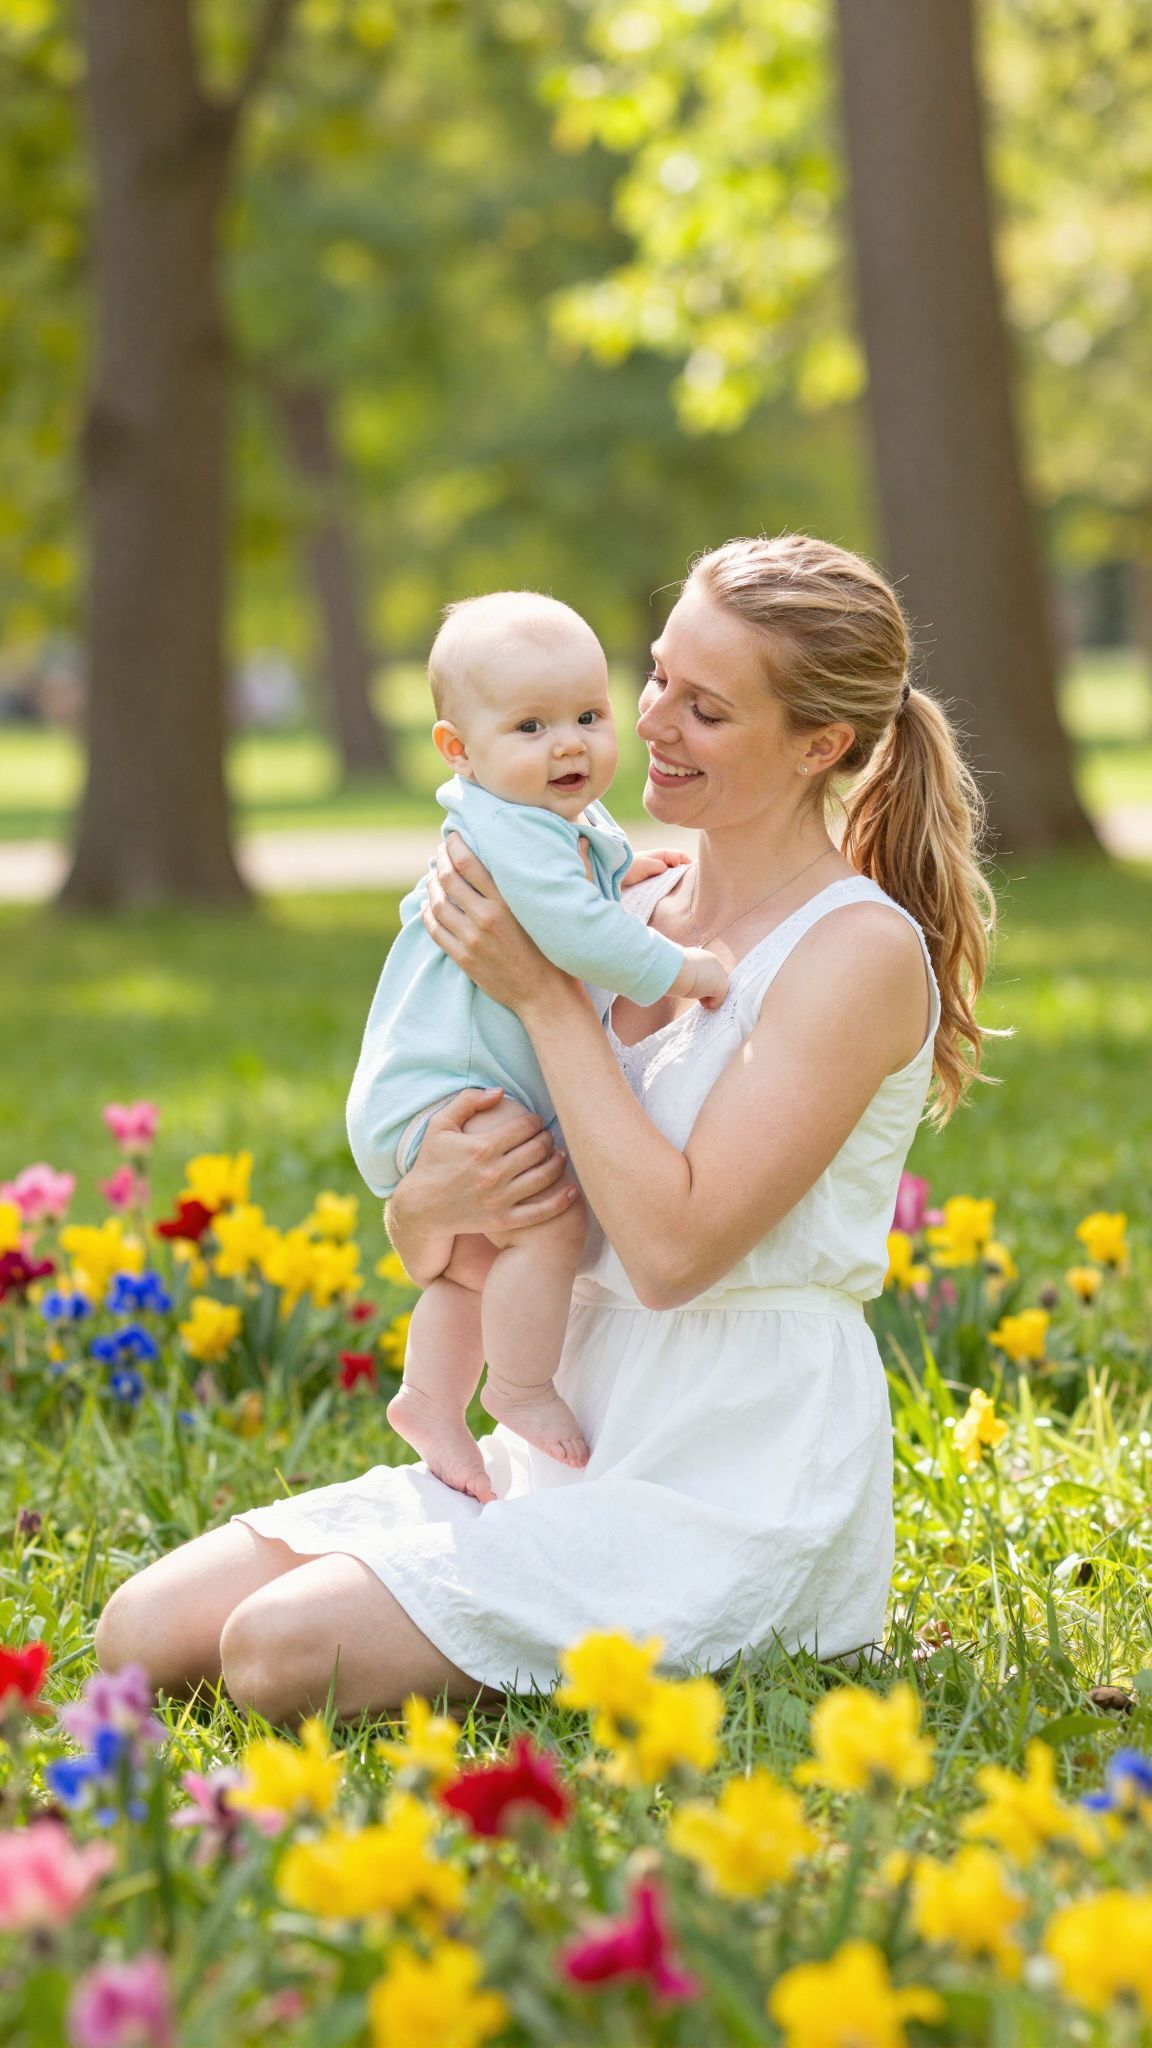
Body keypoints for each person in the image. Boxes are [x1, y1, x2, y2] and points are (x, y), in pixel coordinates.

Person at [93, 534, 994, 1727]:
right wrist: (421, 1202)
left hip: (728, 1463)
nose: (654, 722)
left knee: (274, 1652)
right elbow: (458, 1216)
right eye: (659, 675)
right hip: (560, 1428)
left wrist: (544, 996)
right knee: (141, 1628)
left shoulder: (853, 951)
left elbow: (671, 1253)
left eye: (708, 708)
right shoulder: (621, 895)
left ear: (819, 745)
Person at [346, 590, 727, 1503]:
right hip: (447, 1093)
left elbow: (575, 879)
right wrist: (686, 970)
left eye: (589, 716)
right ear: (458, 749)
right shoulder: (509, 828)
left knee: (484, 1260)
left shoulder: (538, 817)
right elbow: (578, 936)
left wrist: (624, 871)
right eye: (530, 726)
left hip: (430, 1091)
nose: (571, 745)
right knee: (548, 1218)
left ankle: (429, 1402)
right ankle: (515, 1388)